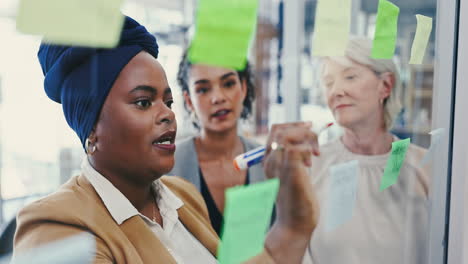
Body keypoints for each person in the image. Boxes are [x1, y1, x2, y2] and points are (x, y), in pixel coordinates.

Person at [13, 16, 320, 264]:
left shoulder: (182, 197)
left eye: (168, 102)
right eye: (144, 102)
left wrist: (295, 218)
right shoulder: (57, 228)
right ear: (92, 128)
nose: (167, 116)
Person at [302, 37, 430, 264]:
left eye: (350, 77)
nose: (337, 91)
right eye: (329, 82)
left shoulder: (423, 166)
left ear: (386, 86)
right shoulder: (313, 165)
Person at [168, 50, 266, 235]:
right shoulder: (168, 167)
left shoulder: (267, 160)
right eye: (203, 89)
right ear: (189, 101)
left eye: (228, 84)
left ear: (243, 88)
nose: (218, 98)